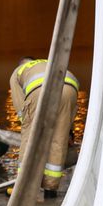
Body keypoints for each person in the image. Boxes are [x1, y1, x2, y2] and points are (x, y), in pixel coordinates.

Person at [9, 57, 80, 196]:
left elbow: (20, 105)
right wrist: (69, 131)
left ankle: (24, 186)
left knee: (28, 140)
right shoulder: (49, 62)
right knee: (59, 138)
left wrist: (27, 122)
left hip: (40, 90)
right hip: (70, 88)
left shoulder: (18, 71)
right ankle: (50, 188)